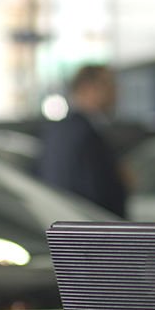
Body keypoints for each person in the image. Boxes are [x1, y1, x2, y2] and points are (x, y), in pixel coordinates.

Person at [38, 64, 128, 217]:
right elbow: (93, 192)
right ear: (88, 88)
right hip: (89, 228)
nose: (117, 92)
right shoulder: (83, 134)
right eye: (109, 84)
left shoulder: (59, 130)